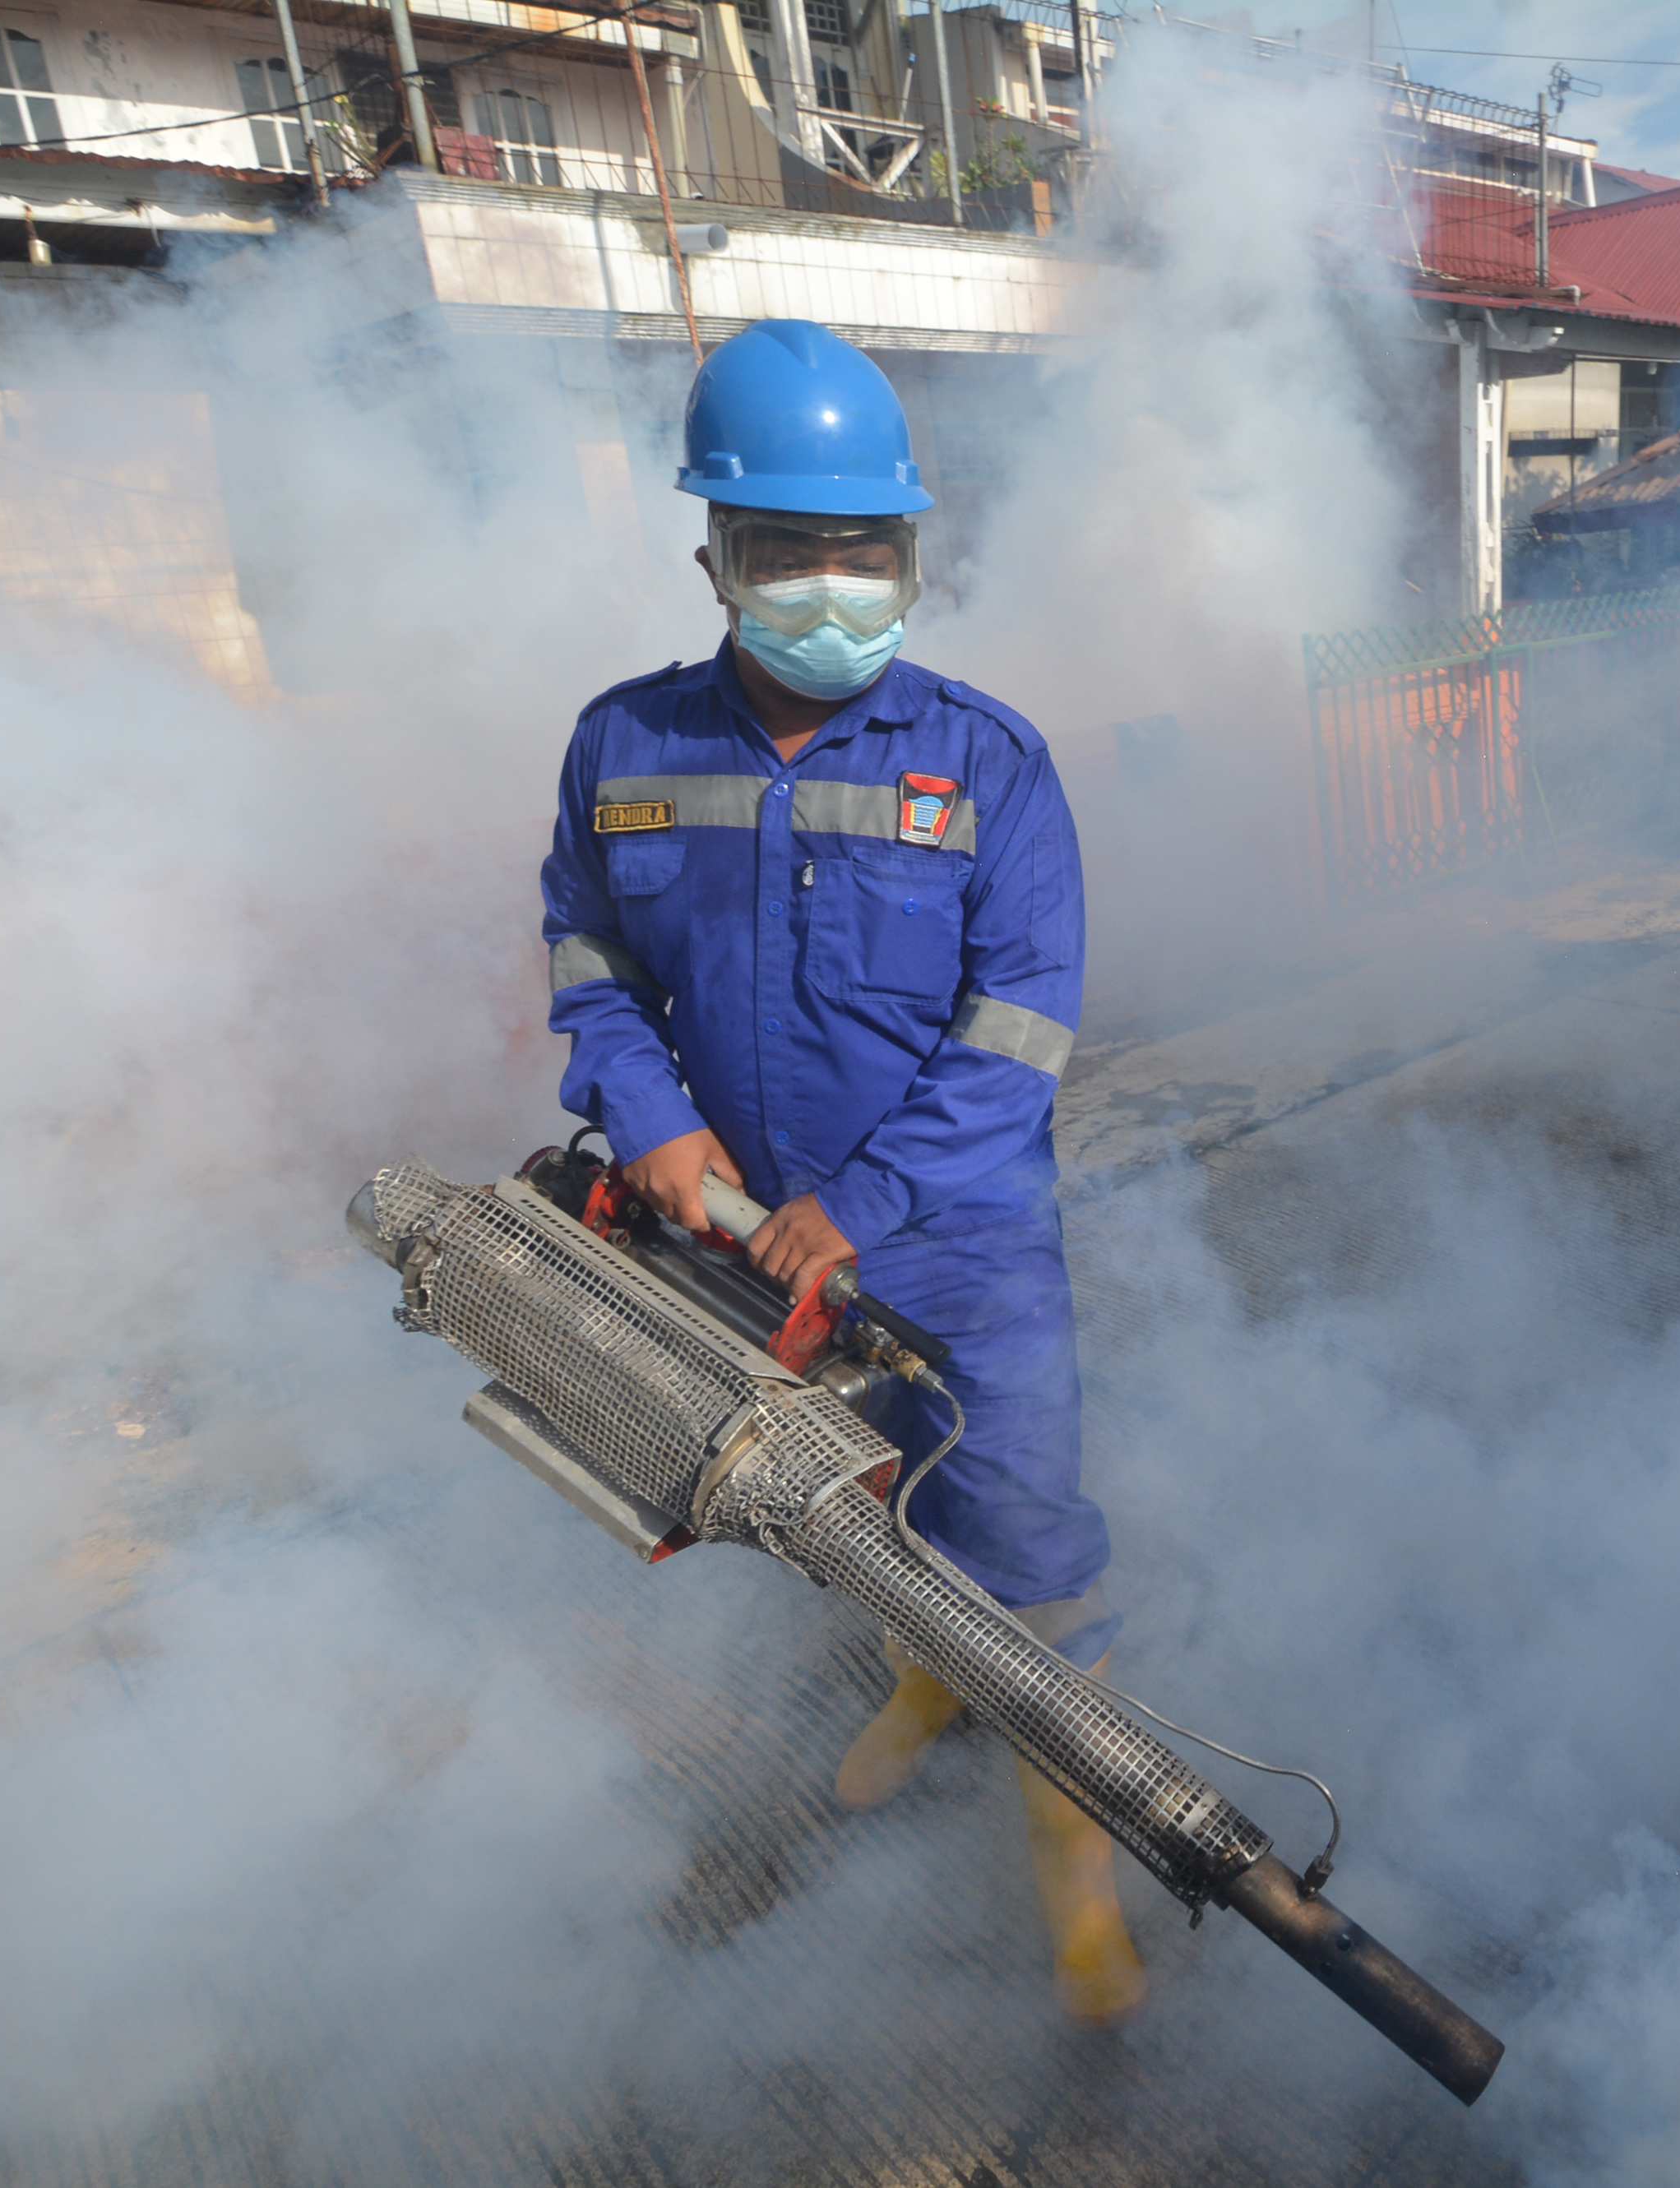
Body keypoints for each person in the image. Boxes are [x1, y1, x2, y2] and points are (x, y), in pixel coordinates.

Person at [539, 319, 1142, 2027]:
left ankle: (1077, 1884)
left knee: (1023, 1540)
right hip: (733, 1252)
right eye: (781, 549)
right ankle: (922, 1691)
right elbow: (586, 951)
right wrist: (644, 1113)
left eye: (858, 548)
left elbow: (1021, 1023)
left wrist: (859, 1205)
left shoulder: (989, 763)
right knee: (852, 1507)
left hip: (955, 1248)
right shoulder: (623, 745)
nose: (825, 582)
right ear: (713, 556)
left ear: (911, 554)